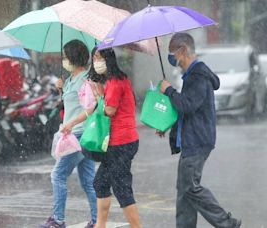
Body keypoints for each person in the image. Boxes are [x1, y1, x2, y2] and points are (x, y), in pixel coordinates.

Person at [159, 32, 241, 228]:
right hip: (191, 140)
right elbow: (188, 109)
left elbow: (187, 105)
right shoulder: (191, 75)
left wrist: (168, 90)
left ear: (183, 50)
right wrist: (167, 124)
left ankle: (227, 223)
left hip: (197, 140)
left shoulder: (198, 75)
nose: (172, 58)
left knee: (190, 188)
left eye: (172, 53)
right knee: (184, 191)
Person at [61, 48, 141, 228]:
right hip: (116, 143)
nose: (96, 62)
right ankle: (100, 225)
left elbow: (108, 111)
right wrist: (72, 123)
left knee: (122, 188)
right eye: (94, 58)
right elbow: (93, 110)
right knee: (100, 183)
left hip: (123, 142)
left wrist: (100, 95)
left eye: (99, 58)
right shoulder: (112, 81)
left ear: (108, 59)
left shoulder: (115, 81)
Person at [39, 40, 97, 228]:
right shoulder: (71, 79)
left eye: (65, 56)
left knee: (58, 175)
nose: (63, 60)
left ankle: (58, 220)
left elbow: (90, 108)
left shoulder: (86, 80)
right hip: (73, 133)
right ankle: (97, 221)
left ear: (73, 57)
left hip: (79, 134)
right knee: (88, 181)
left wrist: (72, 123)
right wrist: (61, 89)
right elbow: (71, 105)